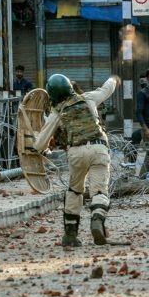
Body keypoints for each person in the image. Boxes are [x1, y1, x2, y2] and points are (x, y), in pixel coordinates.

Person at [34, 73, 120, 247]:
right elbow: (106, 90)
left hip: (76, 152)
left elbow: (41, 142)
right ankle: (97, 219)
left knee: (74, 191)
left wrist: (33, 147)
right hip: (98, 148)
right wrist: (113, 79)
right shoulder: (88, 98)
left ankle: (71, 235)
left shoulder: (57, 111)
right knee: (99, 191)